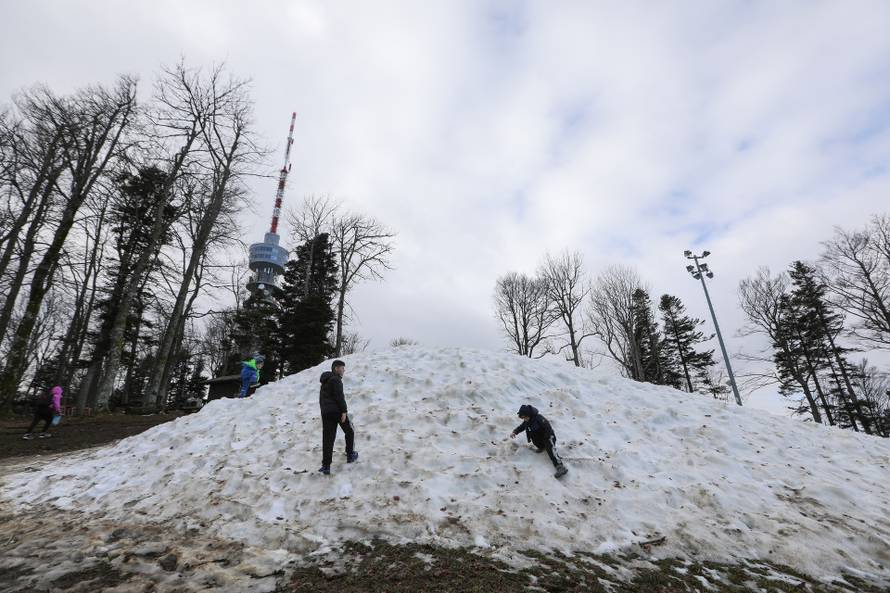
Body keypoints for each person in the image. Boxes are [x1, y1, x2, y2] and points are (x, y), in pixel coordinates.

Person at [318, 359, 358, 474]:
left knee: (328, 439)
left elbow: (322, 400)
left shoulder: (324, 382)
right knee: (349, 431)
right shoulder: (336, 380)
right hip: (337, 412)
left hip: (326, 413)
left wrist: (324, 413)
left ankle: (326, 466)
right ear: (336, 368)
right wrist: (344, 411)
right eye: (342, 368)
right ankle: (350, 454)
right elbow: (339, 396)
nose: (343, 370)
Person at [509, 404, 568, 479]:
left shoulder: (539, 418)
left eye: (524, 417)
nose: (524, 419)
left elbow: (548, 427)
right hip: (539, 439)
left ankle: (560, 466)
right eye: (522, 418)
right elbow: (522, 427)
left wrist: (548, 439)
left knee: (550, 450)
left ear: (528, 415)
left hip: (548, 437)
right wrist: (515, 432)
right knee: (536, 443)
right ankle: (542, 447)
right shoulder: (527, 421)